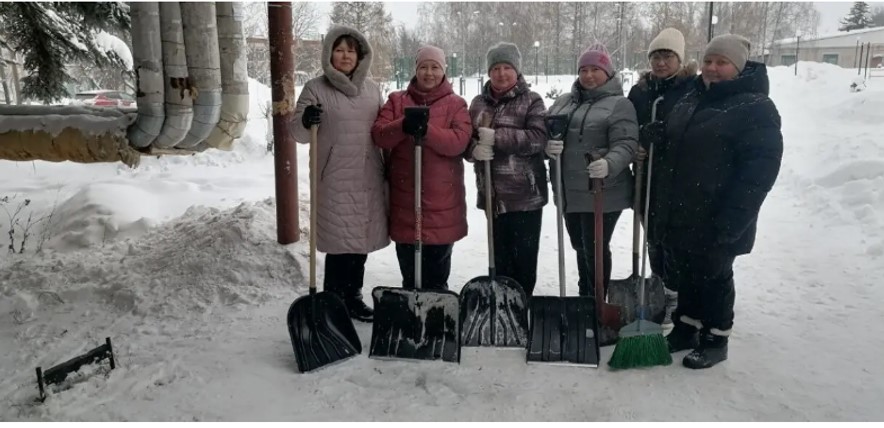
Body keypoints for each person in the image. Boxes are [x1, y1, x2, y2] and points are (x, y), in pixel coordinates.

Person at [645, 34, 783, 369]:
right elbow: (680, 147)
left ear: (739, 67)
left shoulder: (755, 107)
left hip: (718, 211)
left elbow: (759, 171)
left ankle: (715, 338)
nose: (712, 68)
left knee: (714, 277)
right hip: (682, 208)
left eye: (722, 62)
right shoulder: (693, 96)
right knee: (685, 273)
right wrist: (659, 136)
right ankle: (686, 329)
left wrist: (736, 217)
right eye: (708, 61)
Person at [291, 25, 388, 323]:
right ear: (329, 54)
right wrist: (306, 120)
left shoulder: (372, 90)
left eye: (351, 51)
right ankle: (333, 300)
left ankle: (353, 297)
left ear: (361, 56)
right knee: (339, 242)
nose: (345, 56)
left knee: (359, 240)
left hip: (367, 176)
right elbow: (297, 133)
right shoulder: (315, 89)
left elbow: (383, 131)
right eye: (339, 50)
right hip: (333, 179)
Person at [371, 45, 471, 290]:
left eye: (435, 67)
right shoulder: (397, 101)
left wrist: (427, 130)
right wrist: (403, 125)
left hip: (442, 204)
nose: (429, 73)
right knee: (410, 270)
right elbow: (380, 135)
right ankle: (411, 304)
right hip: (406, 202)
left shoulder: (456, 104)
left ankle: (436, 304)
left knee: (436, 272)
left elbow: (459, 141)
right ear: (415, 70)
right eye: (423, 67)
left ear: (444, 70)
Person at [544, 42, 638, 299]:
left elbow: (627, 143)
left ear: (608, 73)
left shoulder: (620, 105)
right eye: (584, 70)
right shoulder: (563, 101)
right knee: (579, 245)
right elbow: (546, 131)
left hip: (602, 191)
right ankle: (585, 295)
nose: (589, 75)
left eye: (595, 69)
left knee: (594, 248)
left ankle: (595, 298)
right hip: (568, 190)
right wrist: (547, 147)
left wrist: (609, 163)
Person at [627, 28, 698, 326]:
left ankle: (675, 295)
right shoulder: (641, 92)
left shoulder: (692, 89)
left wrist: (666, 137)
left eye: (667, 56)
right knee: (653, 238)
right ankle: (658, 287)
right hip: (647, 177)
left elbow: (698, 131)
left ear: (680, 59)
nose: (660, 62)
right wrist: (638, 142)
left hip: (679, 179)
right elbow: (626, 127)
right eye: (655, 56)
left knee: (674, 242)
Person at [465, 42, 548, 298]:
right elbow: (465, 138)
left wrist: (498, 137)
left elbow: (538, 139)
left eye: (507, 68)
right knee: (499, 258)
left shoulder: (532, 100)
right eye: (496, 68)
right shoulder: (478, 103)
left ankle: (522, 304)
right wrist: (474, 150)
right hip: (492, 196)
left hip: (525, 196)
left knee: (524, 260)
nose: (501, 74)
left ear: (517, 70)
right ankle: (502, 305)